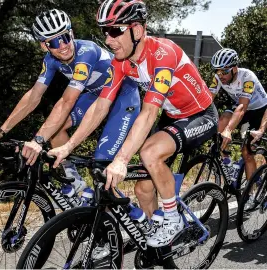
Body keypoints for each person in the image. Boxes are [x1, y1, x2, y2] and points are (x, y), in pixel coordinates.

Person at [48, 0, 218, 247]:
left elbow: (148, 114)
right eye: (105, 32)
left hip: (200, 114)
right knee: (143, 190)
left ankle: (174, 221)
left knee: (149, 152)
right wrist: (68, 146)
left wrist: (121, 160)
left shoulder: (163, 54)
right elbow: (100, 106)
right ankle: (157, 242)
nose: (108, 39)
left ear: (137, 30)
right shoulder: (121, 62)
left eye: (115, 30)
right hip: (172, 116)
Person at [0, 9, 140, 193]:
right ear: (44, 46)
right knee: (55, 129)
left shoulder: (86, 52)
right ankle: (74, 182)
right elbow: (34, 96)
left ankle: (130, 216)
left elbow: (67, 101)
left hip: (123, 96)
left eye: (65, 37)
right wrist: (2, 131)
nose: (63, 45)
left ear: (71, 33)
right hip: (97, 94)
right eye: (54, 42)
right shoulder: (50, 60)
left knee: (101, 163)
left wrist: (38, 141)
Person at [209, 48, 267, 209]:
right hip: (240, 107)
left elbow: (242, 107)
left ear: (235, 68)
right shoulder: (218, 77)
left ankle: (250, 194)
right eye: (217, 71)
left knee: (247, 153)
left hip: (258, 110)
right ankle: (226, 160)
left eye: (224, 72)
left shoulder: (247, 77)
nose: (221, 75)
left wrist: (229, 130)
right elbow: (207, 98)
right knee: (220, 123)